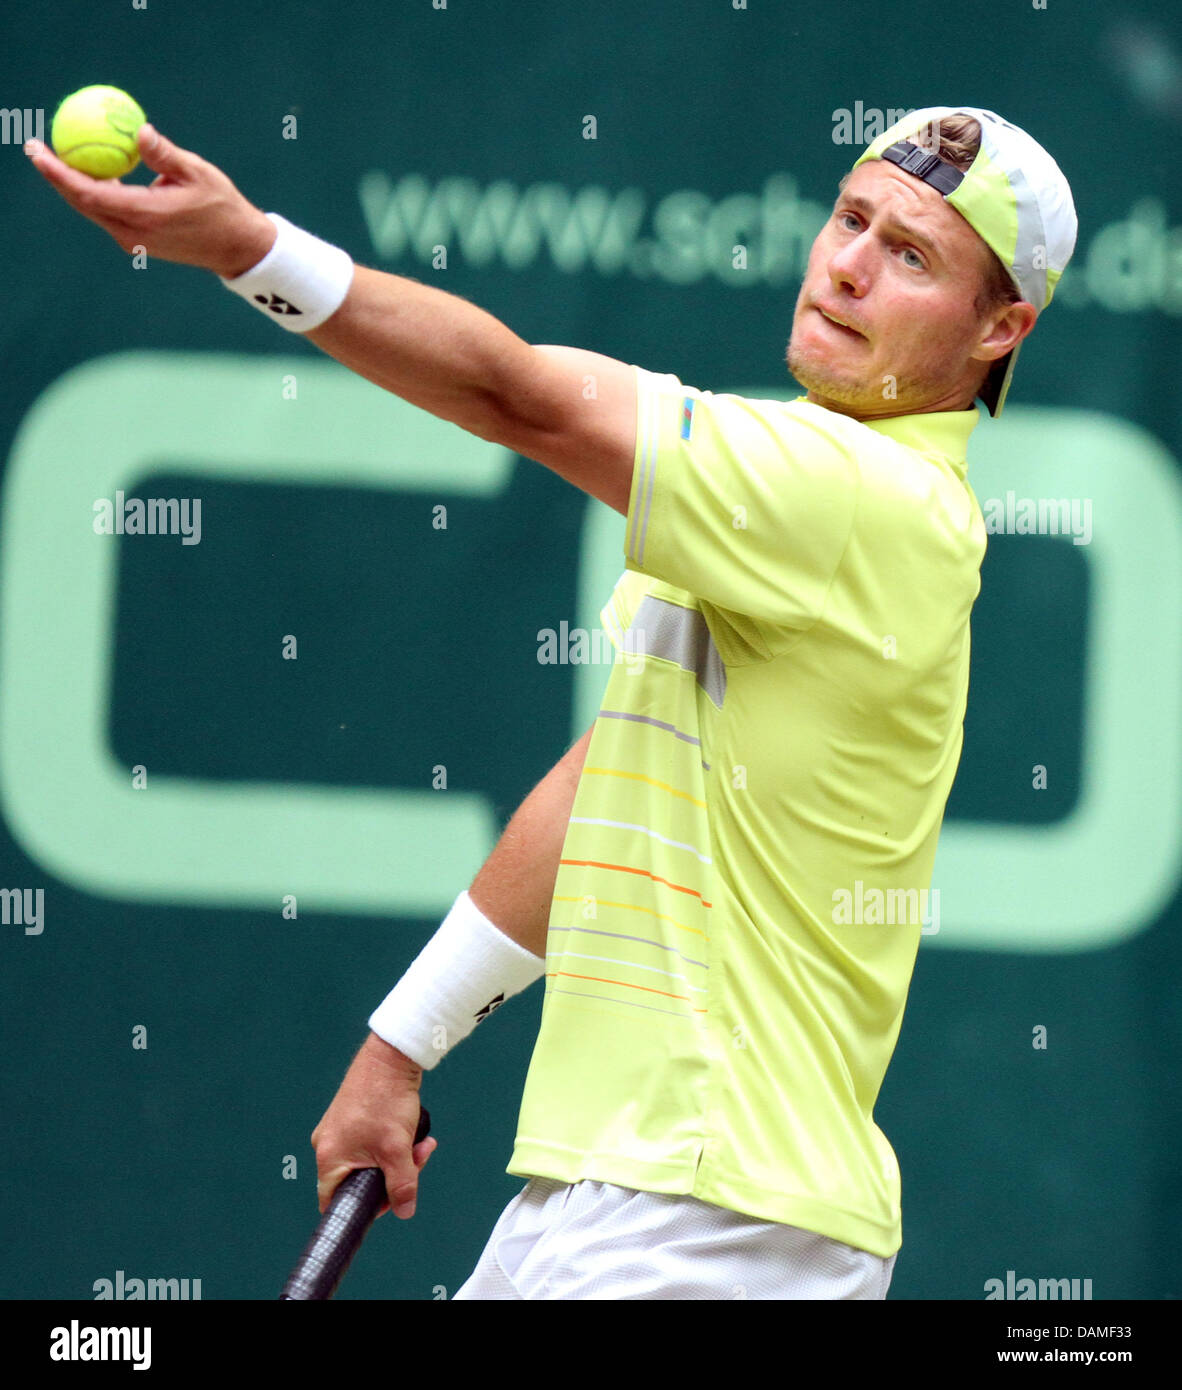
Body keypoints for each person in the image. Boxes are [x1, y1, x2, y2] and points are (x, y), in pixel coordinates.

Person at [26, 104, 1076, 1300]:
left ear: (1002, 328)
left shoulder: (867, 499)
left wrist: (250, 248)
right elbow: (607, 781)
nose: (845, 266)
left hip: (712, 1220)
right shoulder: (792, 481)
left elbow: (522, 397)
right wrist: (399, 1045)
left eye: (910, 256)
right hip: (623, 1195)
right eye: (851, 219)